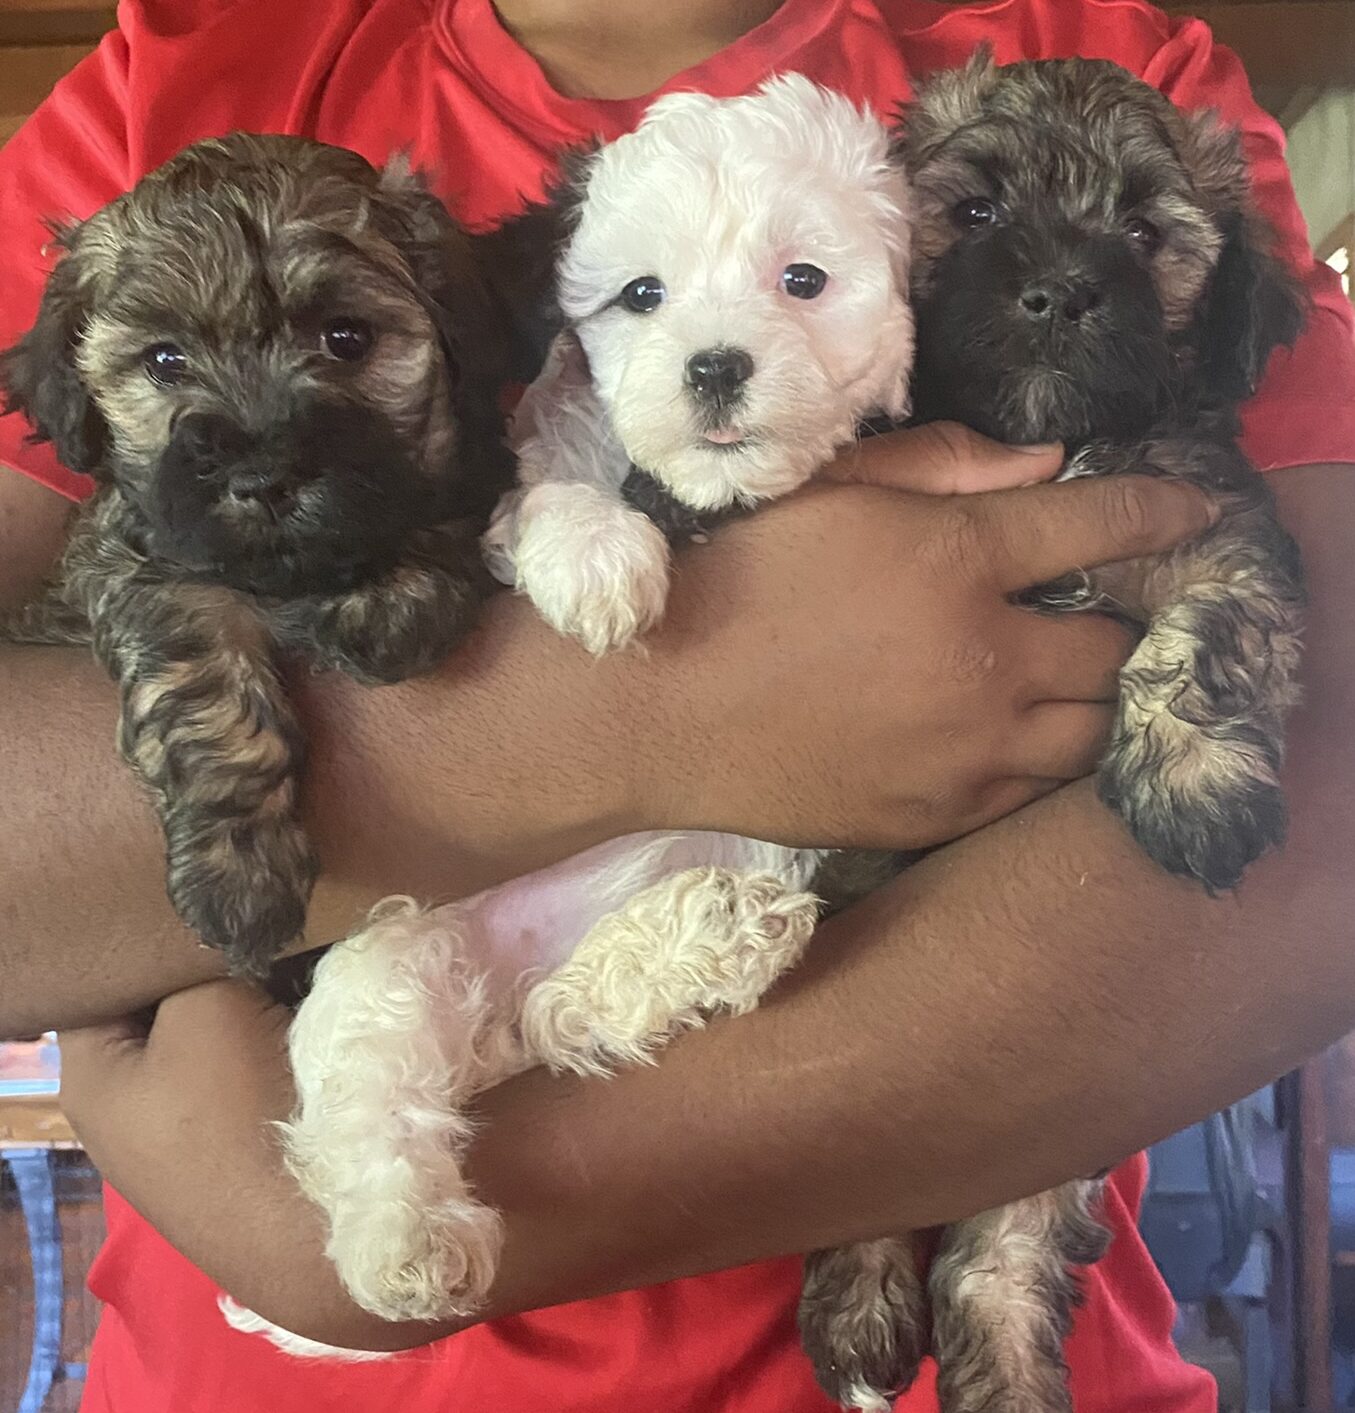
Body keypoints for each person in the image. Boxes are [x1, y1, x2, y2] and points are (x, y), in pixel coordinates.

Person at [1, 0, 1352, 1409]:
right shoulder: (184, 74)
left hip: (946, 1359)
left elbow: (1322, 833)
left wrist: (411, 1207)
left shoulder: (1093, 63)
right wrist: (655, 721)